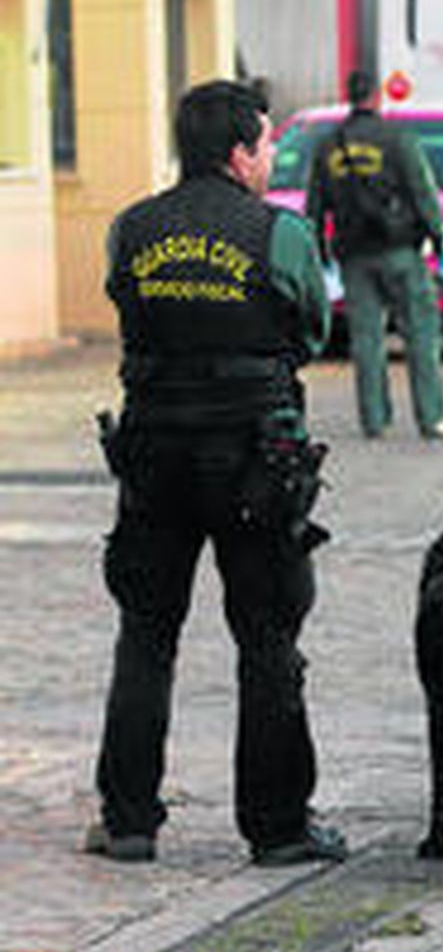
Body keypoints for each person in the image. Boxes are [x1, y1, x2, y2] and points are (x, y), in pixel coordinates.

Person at [87, 79, 345, 866]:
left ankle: (128, 821)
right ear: (239, 153)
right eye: (265, 144)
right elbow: (312, 326)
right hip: (253, 461)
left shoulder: (132, 228)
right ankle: (278, 826)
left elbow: (124, 306)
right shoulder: (280, 233)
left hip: (153, 457)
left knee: (147, 633)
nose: (269, 157)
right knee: (267, 638)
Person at [304, 70, 443, 440]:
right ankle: (430, 418)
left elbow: (314, 208)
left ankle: (374, 421)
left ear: (350, 97)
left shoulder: (328, 145)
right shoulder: (396, 138)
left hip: (353, 256)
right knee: (420, 336)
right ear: (376, 97)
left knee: (366, 341)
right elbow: (422, 191)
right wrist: (439, 240)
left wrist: (321, 252)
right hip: (399, 250)